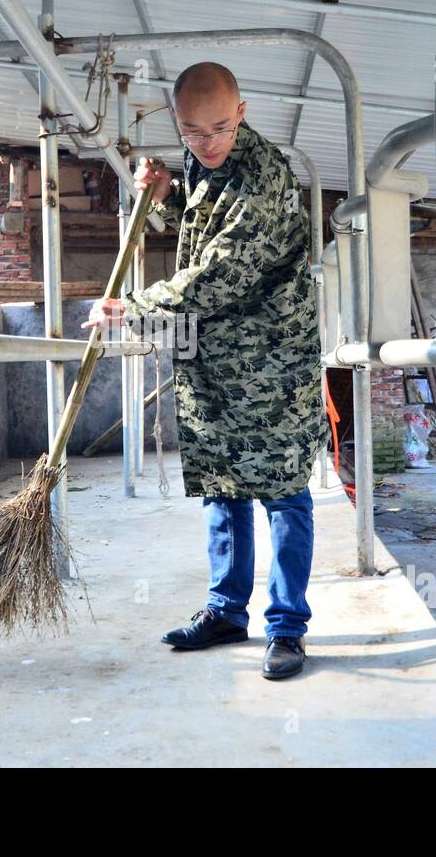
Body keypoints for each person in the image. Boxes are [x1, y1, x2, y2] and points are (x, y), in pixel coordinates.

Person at [81, 62, 326, 680]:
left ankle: (287, 628)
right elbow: (192, 229)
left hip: (269, 370)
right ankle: (225, 610)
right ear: (179, 124)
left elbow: (213, 278)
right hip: (213, 363)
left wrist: (130, 309)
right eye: (193, 132)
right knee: (222, 486)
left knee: (282, 494)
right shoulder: (201, 163)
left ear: (241, 112)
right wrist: (159, 198)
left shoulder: (263, 183)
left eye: (219, 128)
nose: (207, 142)